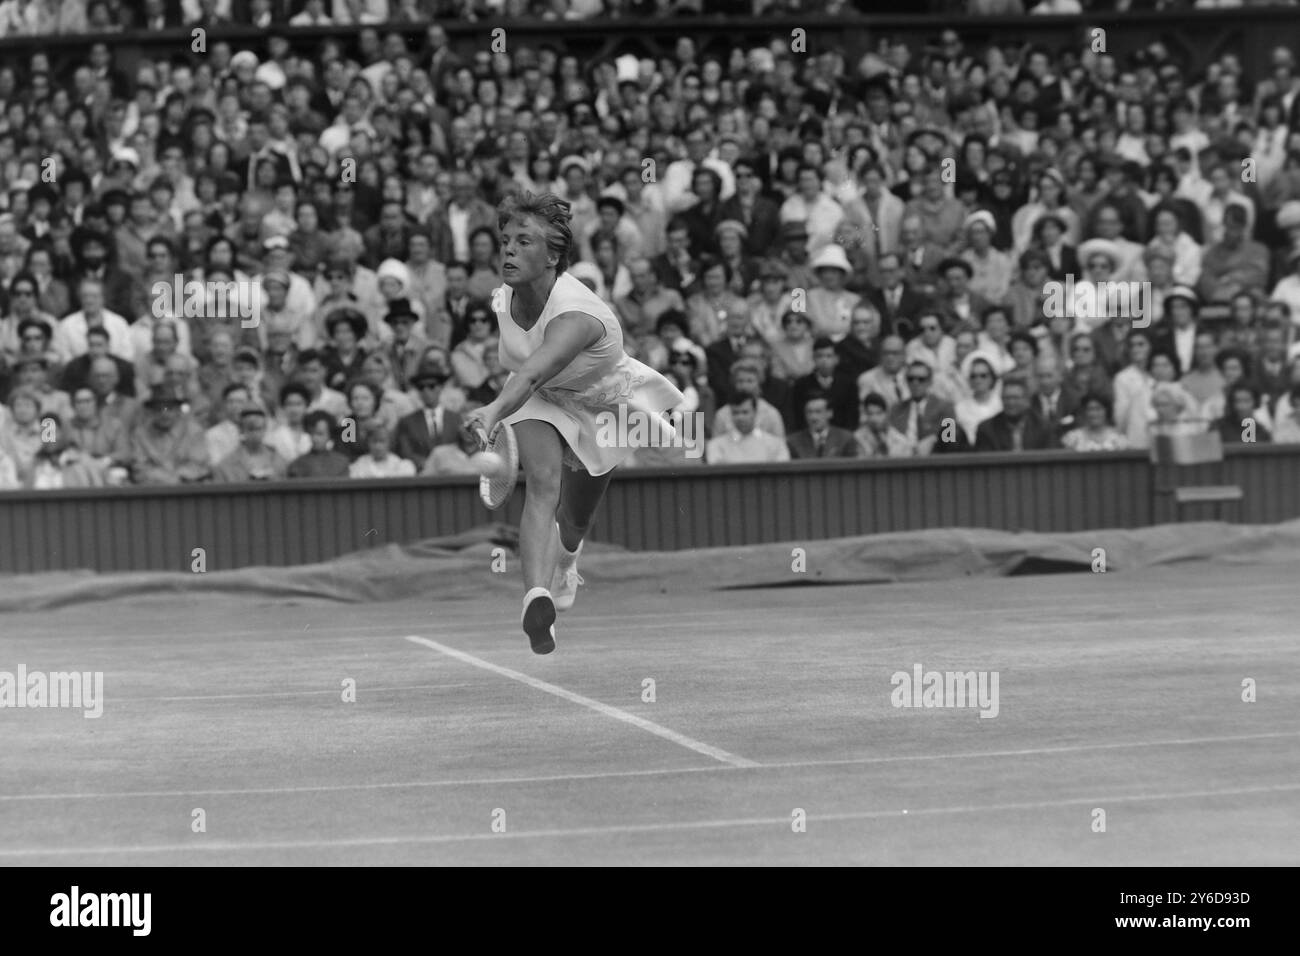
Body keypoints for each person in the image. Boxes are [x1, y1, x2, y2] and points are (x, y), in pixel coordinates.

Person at [460, 192, 682, 655]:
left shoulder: (576, 315)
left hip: (602, 404)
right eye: (505, 240)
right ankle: (536, 598)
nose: (508, 250)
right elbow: (530, 378)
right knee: (542, 482)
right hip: (539, 397)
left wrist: (491, 410)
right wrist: (504, 406)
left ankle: (568, 558)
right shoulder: (505, 297)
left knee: (576, 519)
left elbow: (535, 367)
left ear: (554, 255)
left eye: (524, 242)